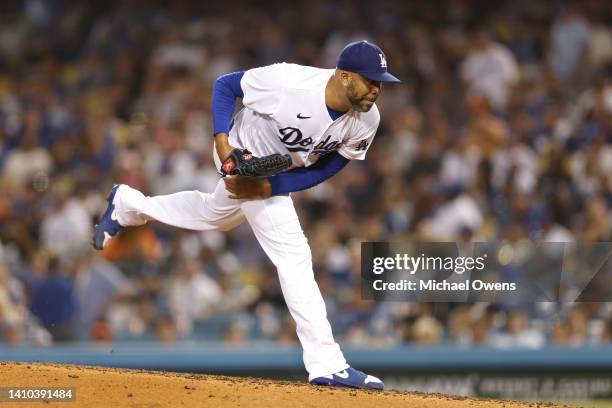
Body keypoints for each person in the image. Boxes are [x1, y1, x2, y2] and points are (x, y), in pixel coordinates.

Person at [92, 40, 400, 390]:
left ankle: (129, 203)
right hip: (242, 153)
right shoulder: (288, 83)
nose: (377, 89)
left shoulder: (367, 119)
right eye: (370, 81)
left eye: (381, 83)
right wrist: (223, 144)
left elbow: (330, 166)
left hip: (274, 172)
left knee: (215, 214)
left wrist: (273, 187)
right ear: (344, 77)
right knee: (294, 255)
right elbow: (226, 85)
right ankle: (327, 363)